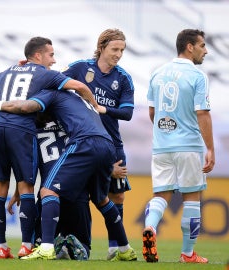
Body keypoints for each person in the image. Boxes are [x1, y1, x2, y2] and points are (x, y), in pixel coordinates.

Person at [0, 36, 97, 259]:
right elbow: (78, 86)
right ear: (38, 55)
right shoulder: (44, 74)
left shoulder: (7, 71)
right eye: (51, 55)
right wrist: (96, 108)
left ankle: (1, 246)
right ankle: (25, 245)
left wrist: (1, 100)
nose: (53, 60)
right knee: (26, 188)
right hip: (21, 129)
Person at [0, 89, 137, 261]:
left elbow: (29, 170)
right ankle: (124, 248)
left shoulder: (33, 132)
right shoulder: (73, 118)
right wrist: (109, 169)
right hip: (82, 193)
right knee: (102, 200)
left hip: (51, 204)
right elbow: (86, 157)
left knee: (47, 192)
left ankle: (48, 246)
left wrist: (18, 192)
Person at [142, 29, 215, 263]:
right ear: (189, 47)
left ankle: (151, 228)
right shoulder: (197, 75)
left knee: (160, 195)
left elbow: (152, 112)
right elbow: (202, 113)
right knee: (192, 198)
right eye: (202, 45)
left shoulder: (157, 73)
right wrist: (210, 149)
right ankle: (187, 253)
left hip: (161, 146)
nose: (206, 50)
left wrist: (166, 132)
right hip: (189, 145)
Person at [62, 28, 134, 259]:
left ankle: (115, 246)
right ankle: (81, 244)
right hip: (81, 143)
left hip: (112, 145)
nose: (119, 54)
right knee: (82, 197)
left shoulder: (122, 78)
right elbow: (56, 82)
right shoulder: (80, 68)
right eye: (115, 49)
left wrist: (103, 108)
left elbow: (127, 113)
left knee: (118, 196)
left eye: (122, 50)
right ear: (101, 47)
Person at [8, 112, 91, 260]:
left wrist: (17, 191)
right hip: (77, 197)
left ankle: (51, 244)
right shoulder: (74, 130)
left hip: (49, 200)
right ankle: (74, 245)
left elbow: (28, 174)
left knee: (37, 245)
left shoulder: (34, 133)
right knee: (83, 246)